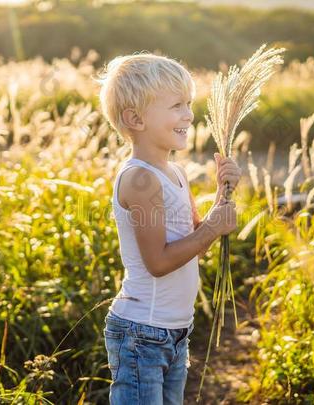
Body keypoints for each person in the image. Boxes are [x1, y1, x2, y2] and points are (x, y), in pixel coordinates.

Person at [96, 52, 241, 404]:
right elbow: (158, 263)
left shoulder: (175, 173)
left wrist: (223, 195)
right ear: (135, 118)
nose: (189, 115)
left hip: (175, 330)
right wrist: (211, 229)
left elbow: (195, 243)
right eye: (177, 105)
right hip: (141, 332)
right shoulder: (140, 179)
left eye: (189, 104)